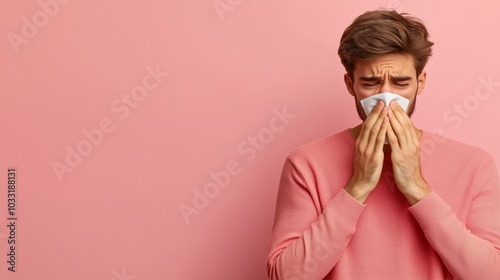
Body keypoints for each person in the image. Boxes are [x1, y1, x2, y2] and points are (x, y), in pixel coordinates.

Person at [266, 9, 500, 280]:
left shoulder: (473, 164)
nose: (386, 98)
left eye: (400, 83)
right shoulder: (306, 164)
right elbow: (286, 277)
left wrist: (417, 188)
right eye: (370, 83)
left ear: (420, 83)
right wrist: (358, 186)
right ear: (350, 84)